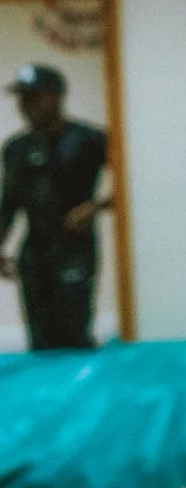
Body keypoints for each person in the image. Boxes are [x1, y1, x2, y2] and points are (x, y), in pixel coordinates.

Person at [1, 64, 112, 351]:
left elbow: (136, 186)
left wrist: (95, 206)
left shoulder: (90, 139)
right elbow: (8, 203)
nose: (26, 106)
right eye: (22, 99)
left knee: (73, 335)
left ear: (57, 97)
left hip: (75, 248)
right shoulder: (15, 148)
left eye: (34, 97)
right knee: (40, 341)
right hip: (34, 253)